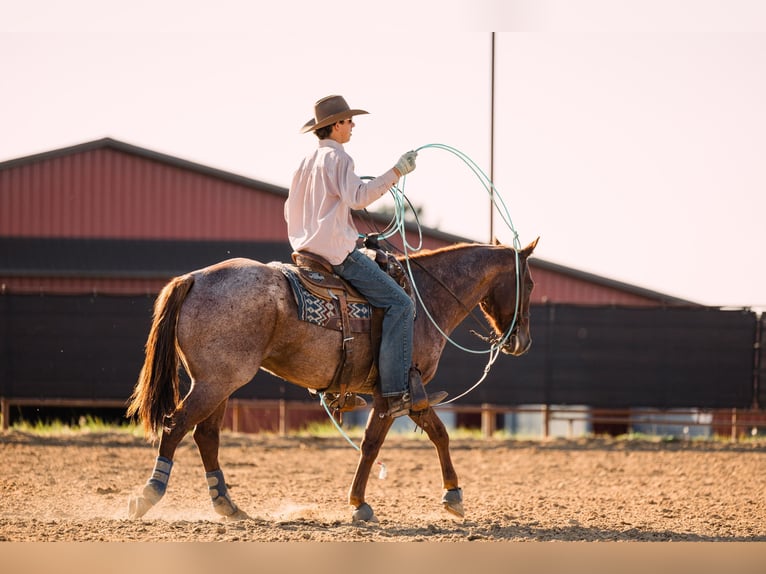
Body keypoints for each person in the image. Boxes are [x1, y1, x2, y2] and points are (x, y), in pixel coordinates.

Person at [285, 95, 446, 418]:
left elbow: (291, 211)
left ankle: (335, 388)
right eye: (348, 121)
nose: (353, 125)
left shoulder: (305, 163)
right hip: (336, 255)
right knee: (401, 304)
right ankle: (396, 391)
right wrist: (398, 171)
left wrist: (338, 230)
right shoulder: (340, 159)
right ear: (335, 126)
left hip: (305, 252)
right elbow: (359, 198)